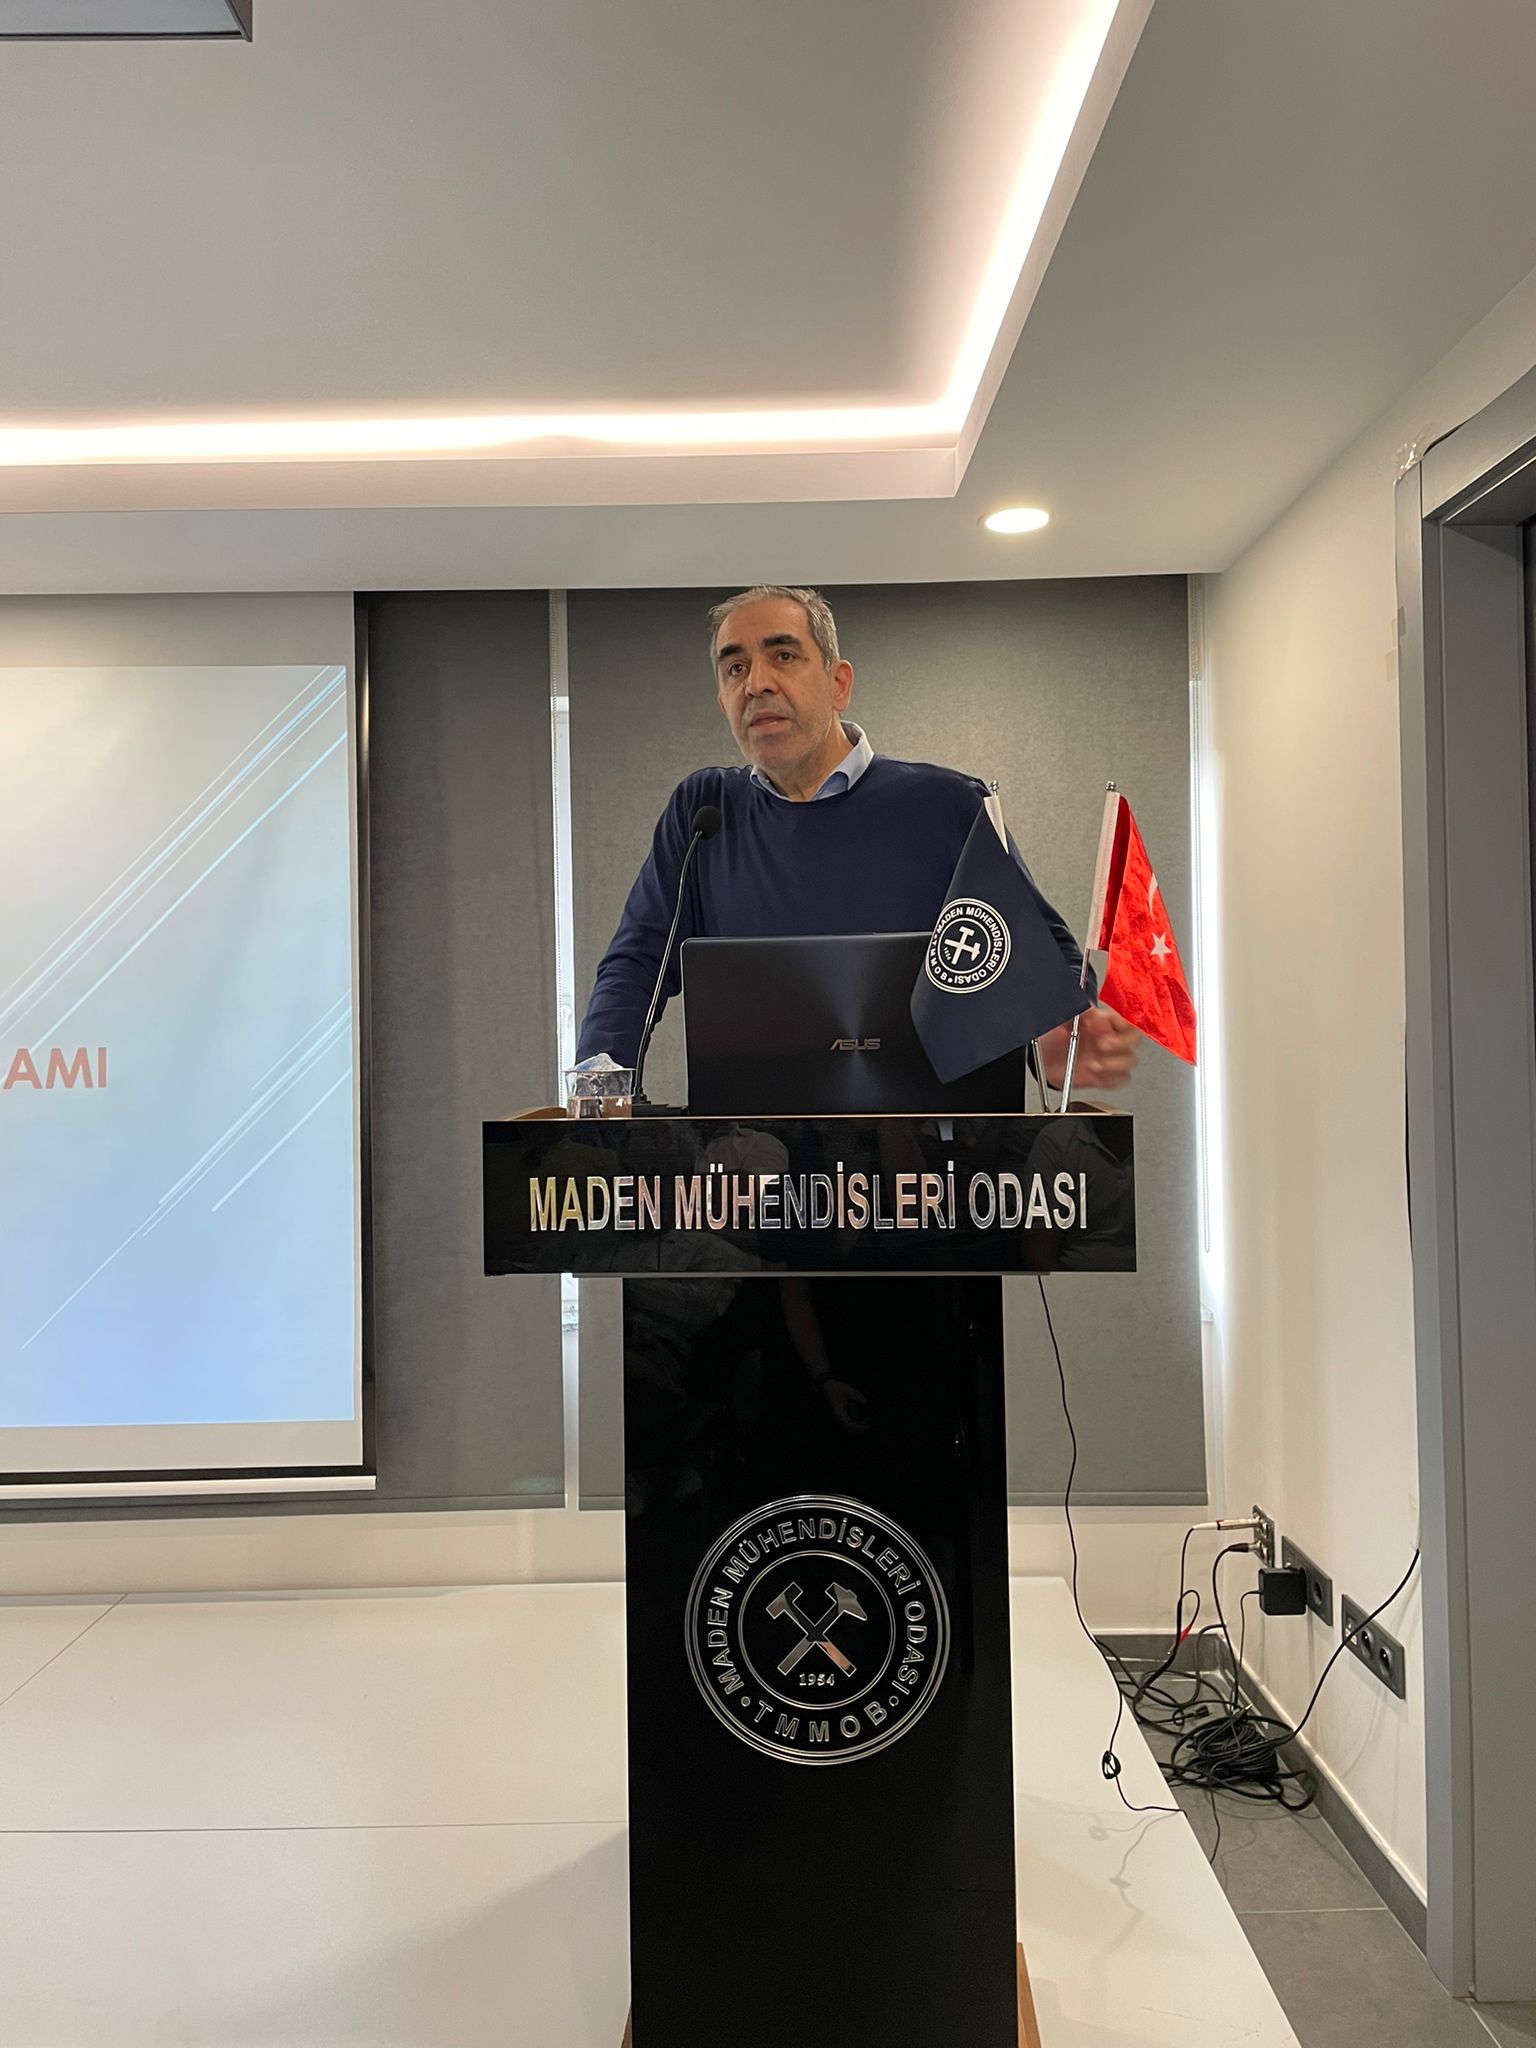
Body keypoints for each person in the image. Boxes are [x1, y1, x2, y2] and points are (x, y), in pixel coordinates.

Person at [576, 585, 1138, 1091]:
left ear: (838, 683)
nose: (757, 683)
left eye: (784, 656)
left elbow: (1042, 956)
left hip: (931, 1148)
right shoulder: (704, 813)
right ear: (723, 701)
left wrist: (1055, 1034)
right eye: (735, 668)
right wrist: (597, 1088)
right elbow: (635, 966)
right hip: (754, 1152)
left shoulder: (948, 805)